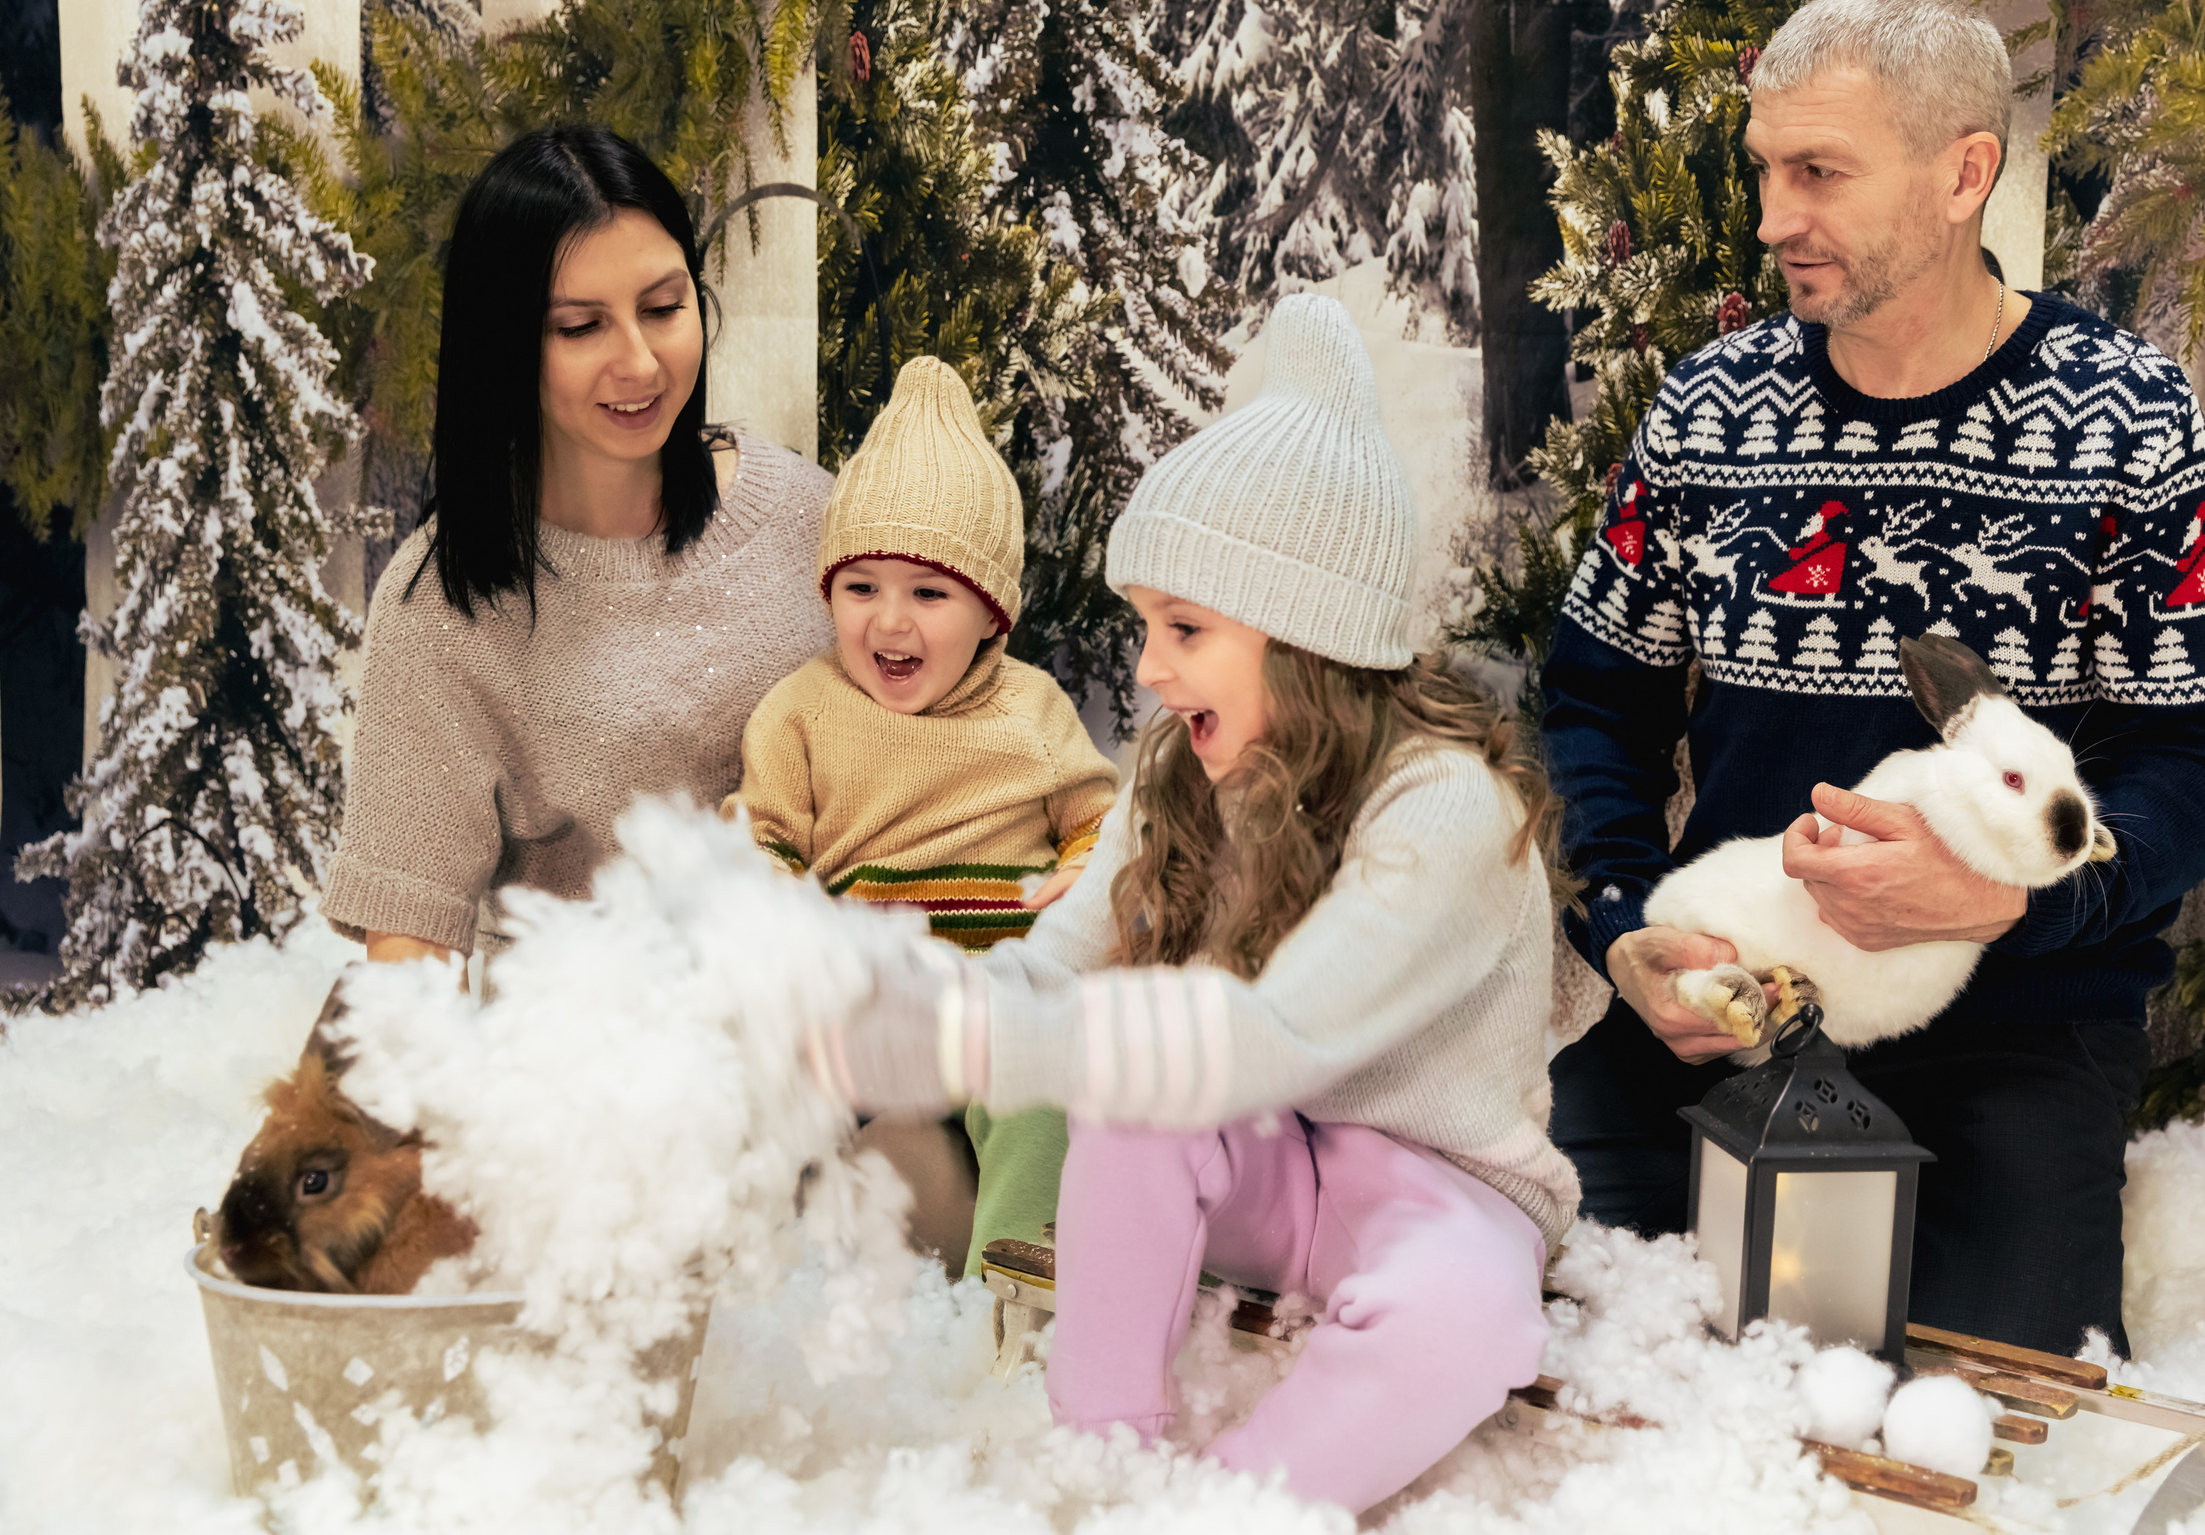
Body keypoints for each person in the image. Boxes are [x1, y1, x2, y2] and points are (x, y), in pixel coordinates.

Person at [1539, 0, 2205, 1355]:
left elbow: (2203, 763)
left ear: (1962, 173)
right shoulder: (1711, 409)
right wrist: (1630, 926)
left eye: (1819, 171)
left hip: (2017, 1022)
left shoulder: (2128, 417)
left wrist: (2002, 903)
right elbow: (1593, 700)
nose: (1770, 218)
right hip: (1733, 997)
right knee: (1548, 1320)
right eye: (1765, 168)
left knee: (1984, 1405)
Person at [809, 293, 1580, 1514]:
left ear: (1305, 636)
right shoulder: (1181, 773)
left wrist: (973, 1038)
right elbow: (1052, 967)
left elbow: (1278, 1037)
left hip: (1441, 1187)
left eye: (1184, 628)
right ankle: (1102, 1450)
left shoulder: (1446, 810)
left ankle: (1223, 1510)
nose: (1150, 670)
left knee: (1465, 1322)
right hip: (1272, 1178)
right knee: (1133, 1098)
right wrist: (901, 1007)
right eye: (1144, 627)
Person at [320, 125, 836, 965]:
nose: (640, 362)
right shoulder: (441, 605)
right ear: (507, 346)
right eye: (581, 326)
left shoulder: (812, 522)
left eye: (664, 309)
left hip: (828, 1040)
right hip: (584, 1060)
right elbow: (407, 960)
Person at [725, 353, 1118, 1278]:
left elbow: (1100, 824)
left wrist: (1088, 875)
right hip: (867, 1008)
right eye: (861, 587)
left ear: (992, 612)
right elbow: (760, 841)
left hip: (997, 1004)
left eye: (929, 593)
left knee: (1039, 1096)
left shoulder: (1032, 711)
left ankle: (1012, 1286)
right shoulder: (803, 709)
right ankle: (758, 1286)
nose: (889, 624)